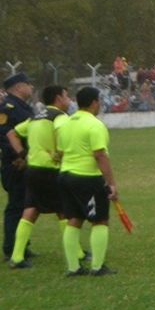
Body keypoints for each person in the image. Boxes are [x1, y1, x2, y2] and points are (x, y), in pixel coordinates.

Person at [56, 86, 119, 276]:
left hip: (65, 175)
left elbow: (59, 152)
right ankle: (97, 267)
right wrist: (111, 183)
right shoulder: (94, 124)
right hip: (86, 178)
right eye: (99, 100)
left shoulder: (66, 123)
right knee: (100, 220)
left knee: (74, 220)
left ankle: (73, 268)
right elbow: (100, 155)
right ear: (94, 102)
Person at [8, 85, 70, 268]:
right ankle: (76, 253)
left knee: (31, 209)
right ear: (58, 98)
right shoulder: (59, 116)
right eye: (66, 96)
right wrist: (60, 152)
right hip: (50, 169)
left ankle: (17, 256)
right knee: (64, 211)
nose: (69, 100)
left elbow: (12, 133)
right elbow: (62, 133)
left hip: (32, 169)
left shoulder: (36, 116)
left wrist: (22, 154)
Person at [0, 72, 35, 262]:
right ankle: (11, 248)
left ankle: (23, 246)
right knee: (16, 205)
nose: (31, 87)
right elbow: (3, 135)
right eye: (28, 84)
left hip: (27, 161)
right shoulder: (7, 108)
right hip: (15, 164)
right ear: (19, 87)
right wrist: (18, 156)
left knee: (25, 204)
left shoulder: (22, 106)